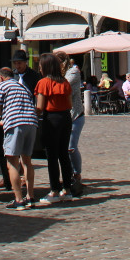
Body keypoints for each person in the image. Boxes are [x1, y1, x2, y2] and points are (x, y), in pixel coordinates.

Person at [0, 66, 39, 210]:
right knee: (27, 161)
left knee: (12, 162)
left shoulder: (2, 86)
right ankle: (30, 197)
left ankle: (19, 200)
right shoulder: (22, 87)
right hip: (31, 123)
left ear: (1, 78)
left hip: (16, 124)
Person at [34, 53, 74, 205]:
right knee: (63, 154)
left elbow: (40, 107)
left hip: (51, 119)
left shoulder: (44, 83)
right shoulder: (65, 82)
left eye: (40, 66)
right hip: (65, 118)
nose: (39, 69)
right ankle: (67, 190)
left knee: (52, 156)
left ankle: (54, 190)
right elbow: (70, 104)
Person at [58, 51, 85, 196]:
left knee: (71, 147)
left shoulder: (73, 72)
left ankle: (77, 174)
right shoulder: (59, 74)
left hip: (75, 115)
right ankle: (67, 176)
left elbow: (62, 86)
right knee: (64, 148)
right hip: (63, 115)